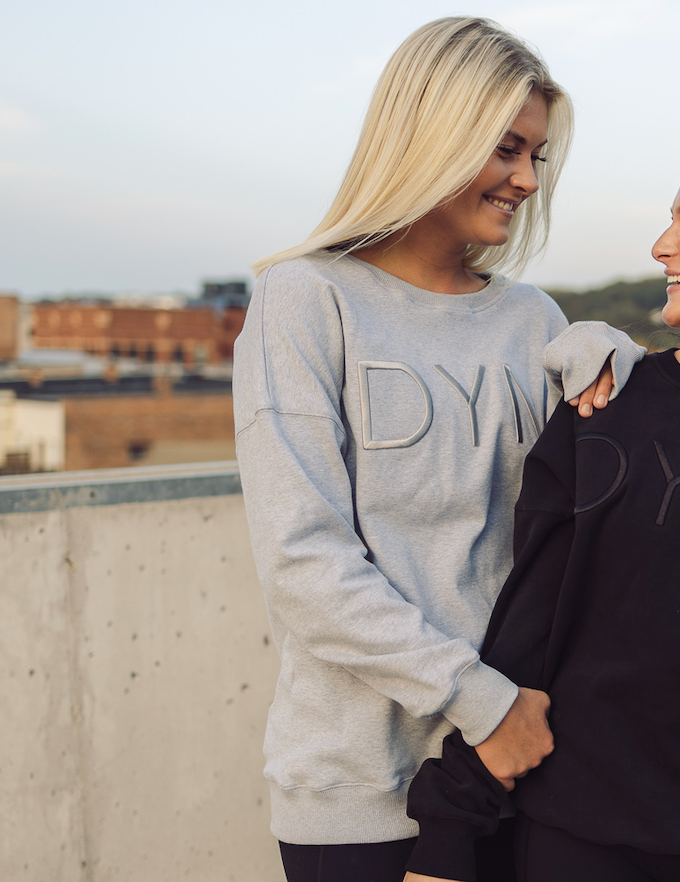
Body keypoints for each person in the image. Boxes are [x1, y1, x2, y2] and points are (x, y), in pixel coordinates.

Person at [232, 15, 643, 882]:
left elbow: (571, 538)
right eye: (506, 148)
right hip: (365, 792)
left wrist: (620, 368)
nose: (527, 179)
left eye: (537, 155)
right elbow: (303, 561)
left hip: (530, 771)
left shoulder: (535, 320)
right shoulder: (306, 300)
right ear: (433, 133)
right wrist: (483, 703)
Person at [405, 133, 680, 882]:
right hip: (574, 842)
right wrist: (447, 837)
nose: (663, 244)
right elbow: (527, 634)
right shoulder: (608, 405)